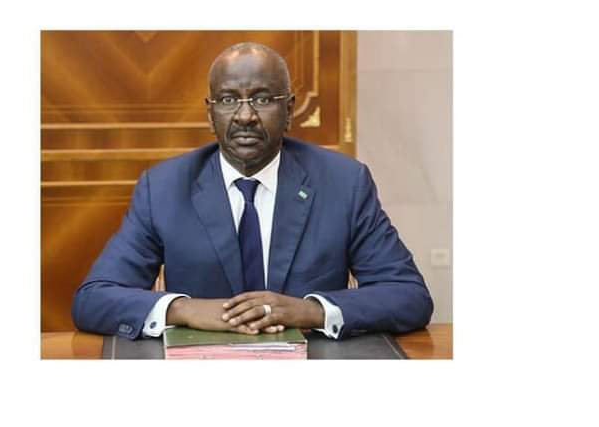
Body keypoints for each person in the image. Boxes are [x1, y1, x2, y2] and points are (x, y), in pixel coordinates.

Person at [71, 42, 433, 340]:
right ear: (210, 114)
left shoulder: (343, 183)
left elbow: (409, 296)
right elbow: (93, 299)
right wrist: (185, 309)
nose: (245, 116)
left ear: (289, 110)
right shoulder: (164, 187)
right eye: (229, 100)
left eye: (262, 99)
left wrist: (311, 310)